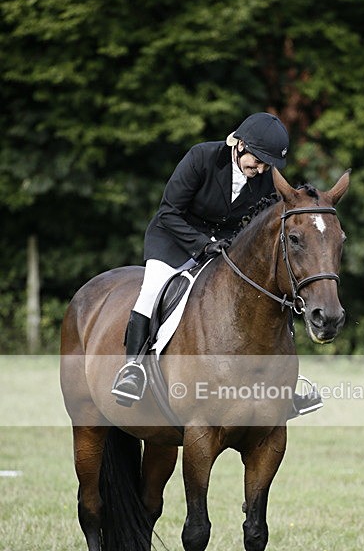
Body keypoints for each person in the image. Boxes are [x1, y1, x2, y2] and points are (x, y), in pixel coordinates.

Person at [112, 112, 322, 416]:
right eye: (257, 160)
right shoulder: (202, 157)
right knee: (152, 289)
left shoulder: (263, 179)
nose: (260, 168)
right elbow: (169, 212)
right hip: (174, 238)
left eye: (266, 164)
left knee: (275, 294)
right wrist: (202, 245)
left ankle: (286, 385)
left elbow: (287, 203)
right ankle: (132, 369)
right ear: (239, 145)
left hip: (223, 246)